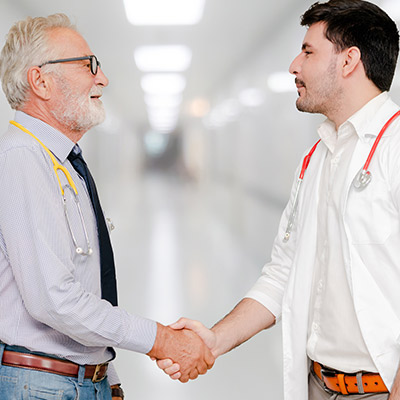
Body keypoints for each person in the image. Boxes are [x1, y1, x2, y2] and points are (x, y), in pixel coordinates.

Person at [157, 0, 400, 399]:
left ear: (349, 60)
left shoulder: (394, 147)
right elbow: (281, 275)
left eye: (308, 52)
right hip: (318, 385)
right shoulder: (317, 157)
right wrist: (213, 341)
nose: (294, 66)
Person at [0, 14, 214, 400]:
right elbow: (54, 299)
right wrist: (161, 339)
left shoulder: (63, 163)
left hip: (78, 379)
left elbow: (82, 283)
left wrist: (106, 369)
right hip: (41, 385)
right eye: (88, 65)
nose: (103, 79)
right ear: (40, 81)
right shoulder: (22, 160)